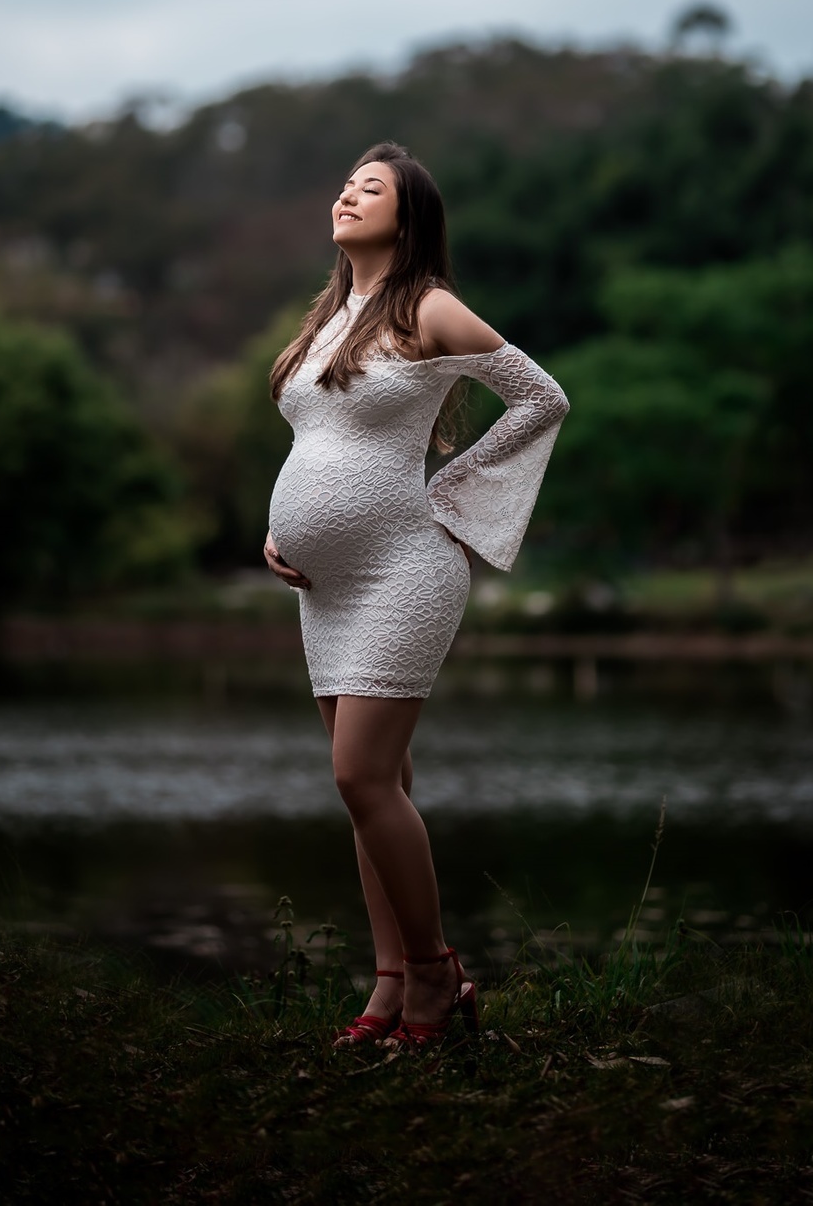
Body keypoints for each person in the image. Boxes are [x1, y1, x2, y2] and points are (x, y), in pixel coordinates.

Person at [264, 142, 568, 1050]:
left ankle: (438, 976)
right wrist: (280, 532)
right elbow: (316, 448)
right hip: (323, 585)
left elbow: (540, 398)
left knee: (359, 774)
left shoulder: (428, 306)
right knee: (377, 789)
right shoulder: (330, 316)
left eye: (372, 189)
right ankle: (390, 983)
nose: (347, 196)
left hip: (405, 569)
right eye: (346, 183)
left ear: (411, 215)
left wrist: (453, 497)